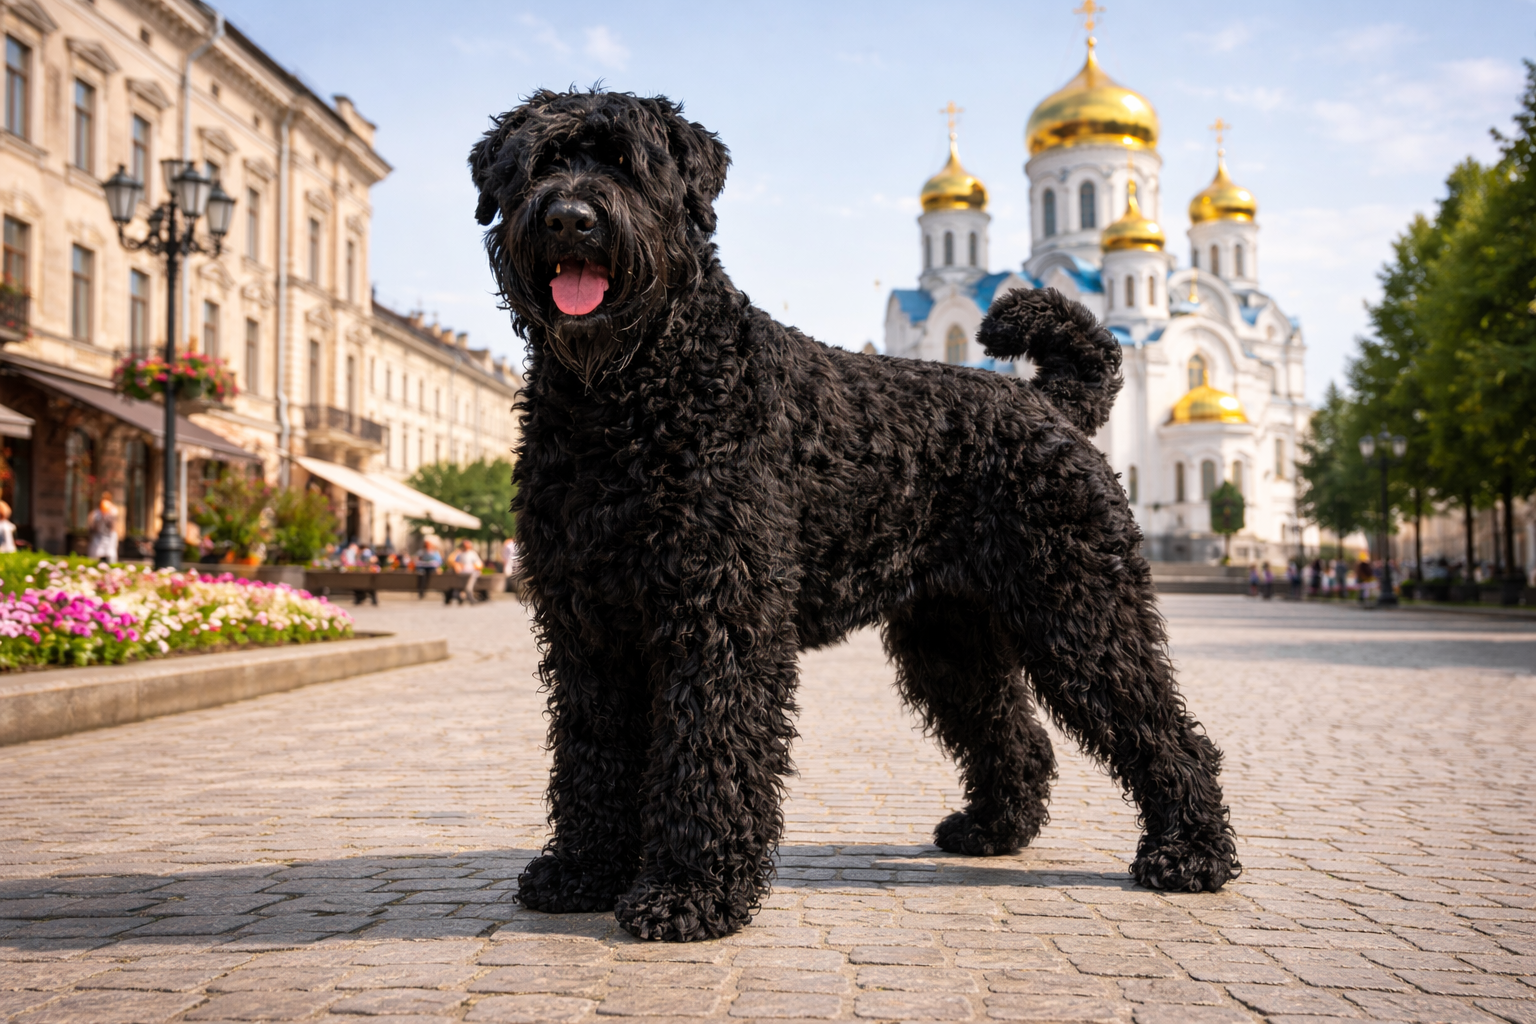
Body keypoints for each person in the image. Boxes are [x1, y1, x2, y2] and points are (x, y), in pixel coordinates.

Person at [447, 538, 483, 604]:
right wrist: (457, 566)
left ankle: (469, 597)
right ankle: (466, 597)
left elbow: (478, 564)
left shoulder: (472, 553)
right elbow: (453, 562)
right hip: (462, 572)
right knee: (462, 586)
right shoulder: (458, 553)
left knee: (468, 586)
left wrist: (476, 567)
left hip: (471, 572)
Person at [87, 492, 118, 562]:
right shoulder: (96, 513)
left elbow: (113, 527)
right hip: (98, 536)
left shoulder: (113, 511)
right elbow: (92, 524)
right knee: (95, 554)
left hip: (109, 536)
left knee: (110, 554)